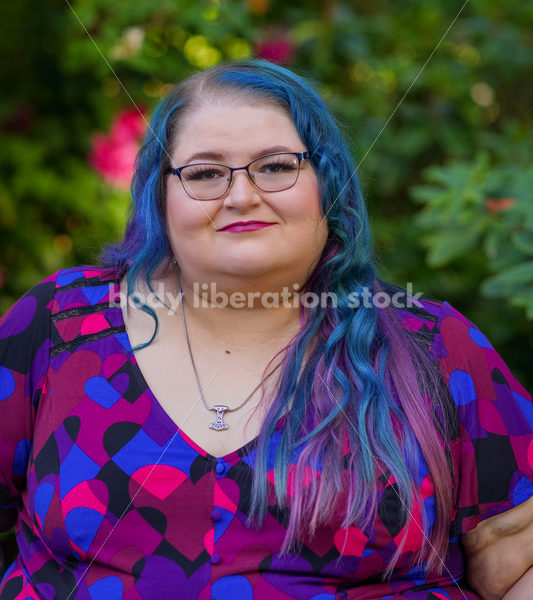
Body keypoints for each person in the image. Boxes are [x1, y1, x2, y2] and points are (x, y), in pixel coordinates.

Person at [0, 60, 532, 600]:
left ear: (328, 183)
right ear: (160, 198)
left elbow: (515, 564)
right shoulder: (60, 326)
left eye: (276, 166)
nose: (240, 196)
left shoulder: (432, 348)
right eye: (205, 173)